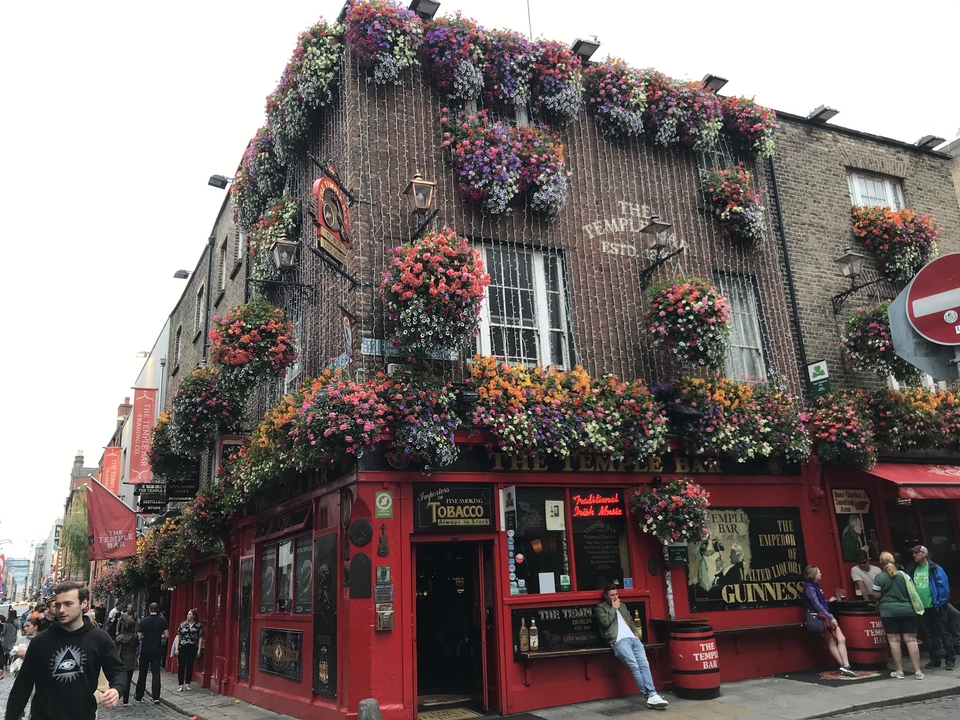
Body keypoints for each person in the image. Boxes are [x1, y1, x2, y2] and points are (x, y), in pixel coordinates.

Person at [3, 581, 126, 720]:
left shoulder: (99, 638)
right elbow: (22, 687)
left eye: (68, 604)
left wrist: (117, 689)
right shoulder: (40, 642)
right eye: (58, 605)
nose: (61, 610)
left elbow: (118, 671)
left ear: (83, 603)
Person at [595, 584, 669, 710]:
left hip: (633, 639)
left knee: (644, 665)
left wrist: (635, 634)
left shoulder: (622, 606)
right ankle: (649, 696)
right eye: (612, 595)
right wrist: (613, 608)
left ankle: (653, 694)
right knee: (634, 666)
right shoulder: (600, 608)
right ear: (606, 596)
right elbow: (605, 623)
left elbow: (629, 621)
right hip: (618, 641)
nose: (615, 597)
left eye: (616, 594)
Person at [872, 551, 924, 679]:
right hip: (908, 610)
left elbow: (876, 595)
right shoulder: (904, 575)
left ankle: (899, 671)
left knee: (894, 641)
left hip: (888, 611)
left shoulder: (879, 577)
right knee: (911, 640)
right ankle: (918, 671)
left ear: (881, 563)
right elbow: (913, 590)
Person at [801, 565, 858, 677]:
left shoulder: (815, 585)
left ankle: (845, 666)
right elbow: (816, 605)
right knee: (833, 640)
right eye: (818, 572)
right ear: (813, 574)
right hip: (821, 617)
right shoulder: (809, 587)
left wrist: (828, 601)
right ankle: (845, 666)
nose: (820, 573)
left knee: (839, 639)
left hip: (824, 614)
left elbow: (819, 602)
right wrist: (831, 617)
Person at [907, 545, 955, 670]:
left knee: (944, 633)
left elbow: (943, 588)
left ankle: (950, 659)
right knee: (930, 634)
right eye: (913, 553)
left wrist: (940, 604)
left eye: (916, 553)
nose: (914, 555)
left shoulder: (935, 569)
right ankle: (935, 659)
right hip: (922, 608)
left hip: (936, 606)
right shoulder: (912, 569)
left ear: (924, 553)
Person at [134, 602, 168, 705]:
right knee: (156, 673)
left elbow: (139, 636)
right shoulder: (162, 621)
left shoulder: (143, 621)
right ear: (157, 610)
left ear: (149, 609)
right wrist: (159, 636)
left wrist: (144, 637)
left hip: (145, 650)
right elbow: (167, 635)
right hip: (157, 650)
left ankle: (139, 695)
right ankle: (156, 697)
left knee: (142, 673)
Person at [173, 608, 204, 691]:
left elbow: (200, 638)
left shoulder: (198, 626)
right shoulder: (183, 624)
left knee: (190, 666)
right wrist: (176, 648)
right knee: (181, 666)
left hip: (192, 647)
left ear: (194, 616)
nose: (188, 616)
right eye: (188, 614)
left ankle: (187, 684)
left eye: (189, 614)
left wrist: (199, 649)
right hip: (183, 647)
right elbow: (178, 636)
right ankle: (180, 685)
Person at [115, 618, 139, 707]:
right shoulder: (135, 637)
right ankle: (126, 701)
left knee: (117, 680)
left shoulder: (119, 638)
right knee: (128, 681)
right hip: (131, 661)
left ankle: (115, 698)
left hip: (120, 661)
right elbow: (137, 645)